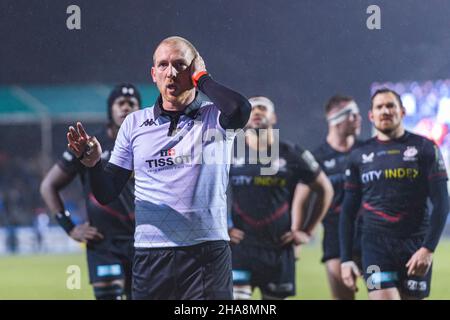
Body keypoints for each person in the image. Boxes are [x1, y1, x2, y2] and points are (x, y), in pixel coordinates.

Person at [66, 36, 251, 300]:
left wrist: (203, 78)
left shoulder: (216, 117)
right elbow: (107, 193)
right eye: (163, 65)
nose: (171, 73)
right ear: (153, 74)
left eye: (180, 64)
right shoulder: (134, 124)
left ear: (194, 70)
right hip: (151, 256)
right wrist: (93, 164)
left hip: (207, 254)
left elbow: (241, 109)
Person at [339, 88, 449, 300]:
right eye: (379, 107)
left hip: (416, 246)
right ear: (371, 116)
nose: (385, 111)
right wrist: (345, 258)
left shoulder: (425, 148)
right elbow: (348, 211)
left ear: (403, 111)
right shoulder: (359, 156)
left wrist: (428, 248)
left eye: (391, 105)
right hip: (374, 246)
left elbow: (442, 202)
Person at [40, 83, 141, 299]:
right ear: (110, 109)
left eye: (131, 104)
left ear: (139, 110)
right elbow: (48, 185)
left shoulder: (148, 144)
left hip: (143, 242)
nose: (125, 108)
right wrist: (69, 227)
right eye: (120, 103)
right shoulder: (89, 145)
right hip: (103, 243)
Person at [228, 96, 333, 300]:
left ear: (273, 117)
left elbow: (325, 189)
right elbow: (206, 190)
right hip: (241, 249)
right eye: (252, 109)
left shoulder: (291, 153)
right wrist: (222, 226)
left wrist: (307, 231)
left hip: (278, 249)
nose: (257, 112)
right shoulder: (229, 152)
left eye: (262, 108)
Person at [295, 95, 362, 299]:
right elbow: (301, 198)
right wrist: (300, 232)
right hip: (335, 240)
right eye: (353, 114)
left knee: (382, 292)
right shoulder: (317, 158)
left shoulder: (366, 151)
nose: (359, 118)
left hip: (368, 237)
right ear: (336, 119)